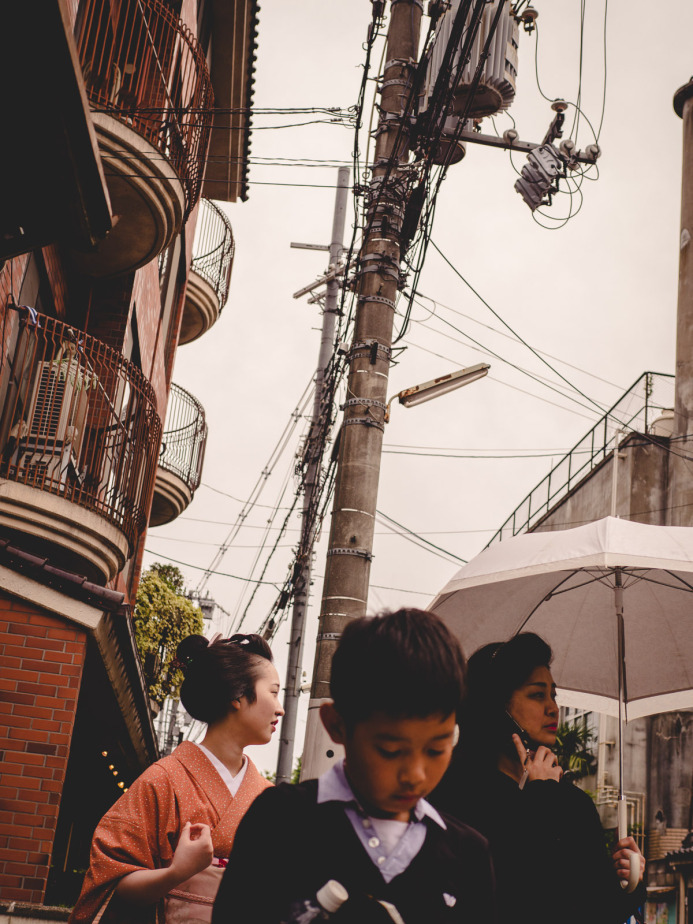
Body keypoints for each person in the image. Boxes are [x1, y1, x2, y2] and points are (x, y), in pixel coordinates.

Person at [212, 608, 496, 924]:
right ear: (337, 726)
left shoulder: (468, 855)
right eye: (390, 750)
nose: (415, 774)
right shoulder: (280, 820)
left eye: (436, 749)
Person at [430, 632, 645, 924]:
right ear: (495, 704)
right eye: (537, 694)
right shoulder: (455, 793)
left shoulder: (572, 802)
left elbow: (598, 912)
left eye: (553, 695)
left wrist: (628, 881)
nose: (553, 707)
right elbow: (505, 895)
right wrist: (539, 797)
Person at [69, 633, 284, 924]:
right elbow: (112, 879)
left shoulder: (267, 796)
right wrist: (176, 873)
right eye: (273, 692)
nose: (280, 708)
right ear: (237, 695)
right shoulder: (163, 780)